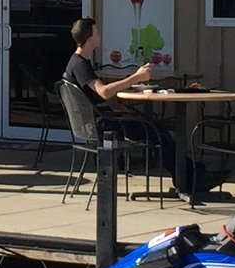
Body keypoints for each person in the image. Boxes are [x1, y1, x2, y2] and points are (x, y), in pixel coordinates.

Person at [63, 17, 217, 201]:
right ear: (89, 39)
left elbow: (94, 96)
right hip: (105, 125)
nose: (100, 35)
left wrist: (118, 106)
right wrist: (135, 78)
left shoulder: (79, 62)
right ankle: (190, 179)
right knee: (158, 132)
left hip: (106, 119)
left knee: (156, 129)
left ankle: (192, 175)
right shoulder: (80, 65)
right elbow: (103, 92)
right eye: (97, 33)